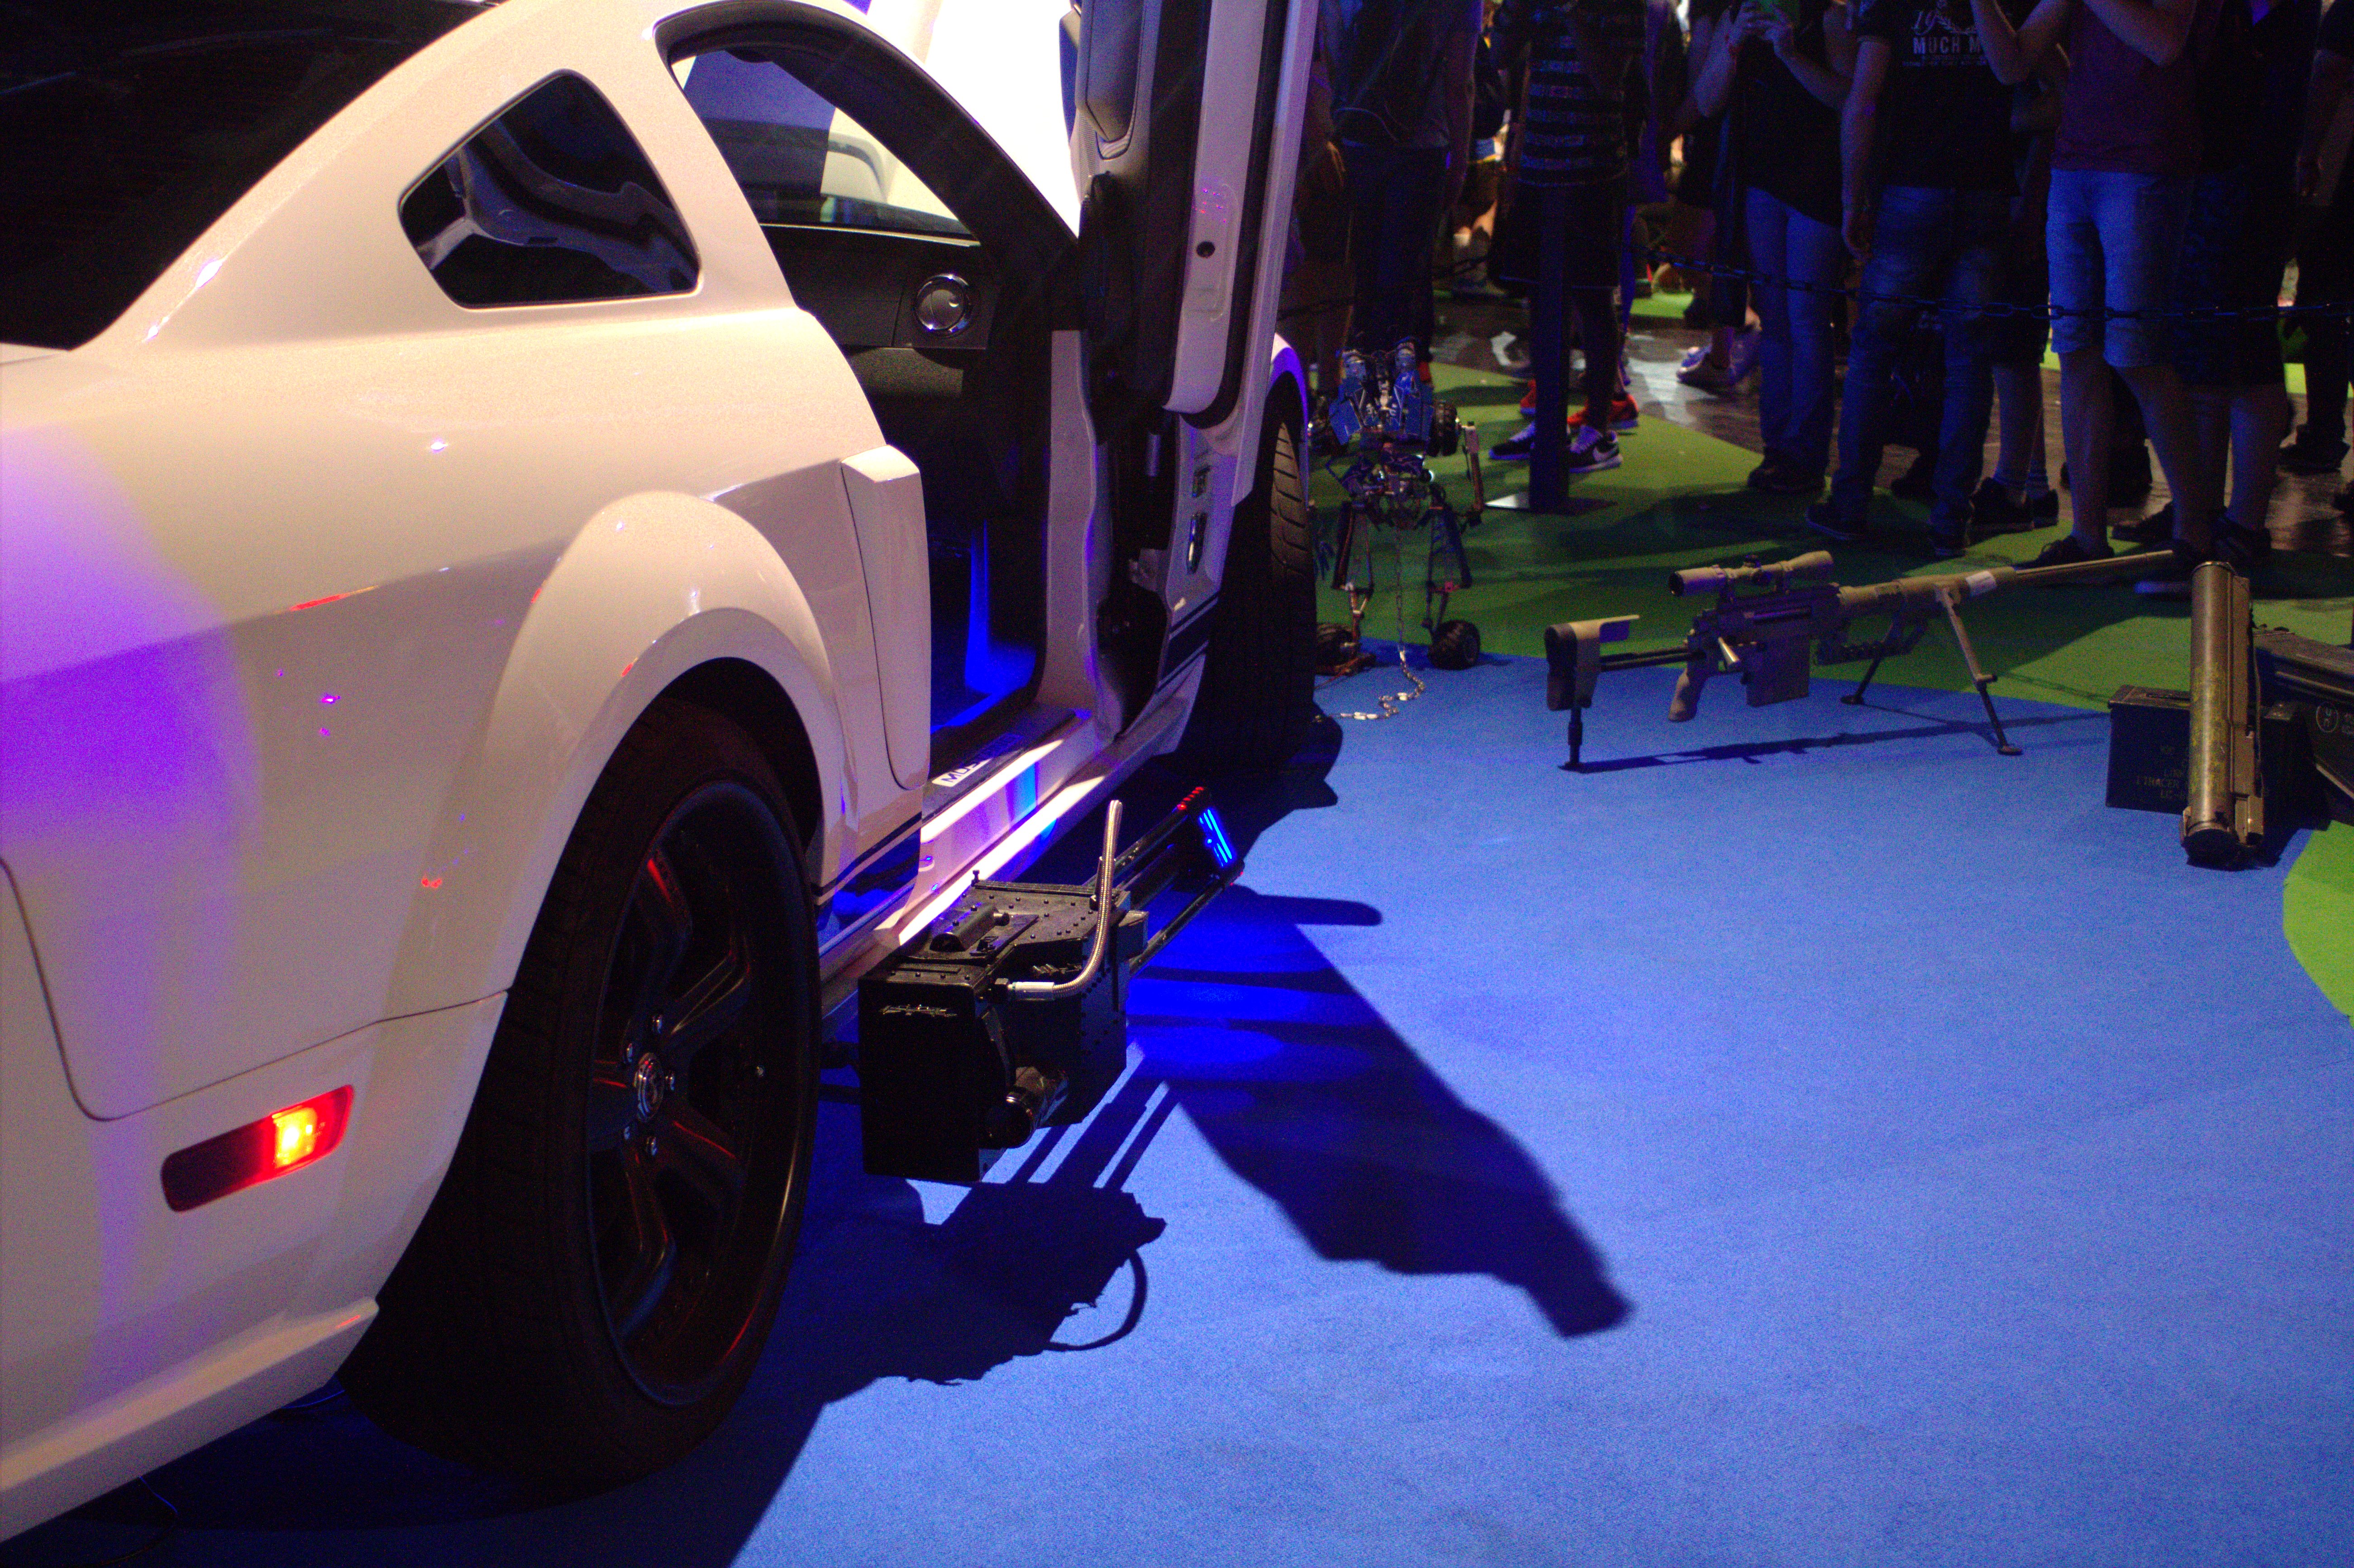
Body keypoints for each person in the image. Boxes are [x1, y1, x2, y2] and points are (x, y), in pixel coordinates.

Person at [1973, 0, 2222, 577]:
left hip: (2145, 162)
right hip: (2077, 163)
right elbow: (2012, 64)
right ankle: (2087, 535)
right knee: (2077, 349)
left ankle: (2196, 533)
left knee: (2137, 354)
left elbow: (2164, 42)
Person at [1808, 0, 2021, 555]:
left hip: (1910, 187)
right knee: (1969, 362)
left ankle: (1849, 505)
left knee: (1875, 351)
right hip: (1986, 188)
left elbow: (1864, 99)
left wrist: (1854, 197)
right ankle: (1951, 518)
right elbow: (2041, 79)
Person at [2130, 0, 2322, 565]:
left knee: (2244, 346)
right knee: (2207, 349)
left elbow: (2271, 77)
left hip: (2247, 169)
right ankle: (2206, 512)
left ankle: (2240, 522)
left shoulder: (2273, 18)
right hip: (2224, 166)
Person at [1692, 0, 1854, 496]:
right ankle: (1778, 446)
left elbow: (1850, 97)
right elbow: (1706, 102)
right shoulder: (1740, 15)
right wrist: (1735, 43)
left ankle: (1805, 454)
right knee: (1776, 320)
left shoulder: (1828, 18)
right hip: (1760, 180)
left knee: (1806, 321)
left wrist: (1791, 55)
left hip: (1816, 186)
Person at [1490, 0, 1649, 474]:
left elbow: (1609, 80)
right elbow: (1498, 56)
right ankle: (1548, 421)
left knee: (1594, 299)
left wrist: (1576, 14)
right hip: (1538, 163)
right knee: (1540, 298)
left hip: (1594, 168)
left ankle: (1598, 430)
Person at [1323, 0, 1484, 365]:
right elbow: (1460, 83)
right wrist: (1460, 162)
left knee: (1363, 276)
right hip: (1422, 146)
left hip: (1359, 138)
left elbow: (1333, 49)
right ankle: (1398, 392)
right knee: (1404, 282)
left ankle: (1360, 386)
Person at [1972, 37, 2066, 533]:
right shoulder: (2027, 23)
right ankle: (2033, 485)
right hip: (2013, 189)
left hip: (2020, 193)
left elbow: (2064, 98)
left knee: (2012, 345)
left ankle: (2014, 487)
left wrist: (1985, 120)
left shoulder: (2030, 25)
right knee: (2010, 345)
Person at [2287, 0, 2354, 505]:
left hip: (2339, 187)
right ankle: (2322, 431)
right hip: (2337, 183)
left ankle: (2323, 431)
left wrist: (2306, 155)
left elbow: (2328, 73)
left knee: (2325, 305)